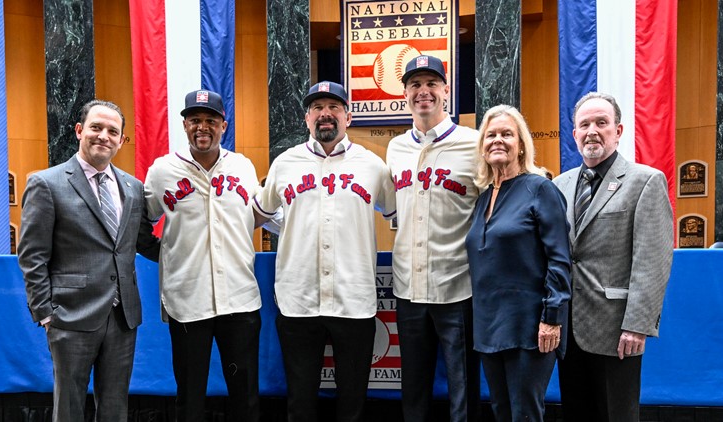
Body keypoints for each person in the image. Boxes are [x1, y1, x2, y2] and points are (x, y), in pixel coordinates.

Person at [253, 81, 395, 422]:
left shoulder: (373, 166)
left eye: (334, 107)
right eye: (318, 108)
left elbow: (398, 215)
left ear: (348, 117)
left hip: (353, 299)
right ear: (307, 118)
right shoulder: (285, 163)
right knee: (300, 400)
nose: (325, 114)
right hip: (298, 298)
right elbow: (259, 212)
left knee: (353, 400)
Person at [18, 100, 159, 421]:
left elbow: (144, 244)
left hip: (123, 317)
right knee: (68, 409)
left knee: (115, 408)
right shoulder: (46, 183)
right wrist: (45, 313)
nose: (103, 136)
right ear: (80, 130)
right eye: (96, 127)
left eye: (113, 131)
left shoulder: (133, 188)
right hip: (69, 316)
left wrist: (194, 250)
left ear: (122, 141)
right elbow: (32, 256)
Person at [553, 92, 674, 421]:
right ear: (575, 134)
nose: (592, 130)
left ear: (618, 131)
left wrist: (637, 326)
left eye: (601, 123)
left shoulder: (645, 181)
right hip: (569, 329)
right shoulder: (559, 185)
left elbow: (652, 261)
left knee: (617, 414)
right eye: (584, 124)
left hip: (617, 331)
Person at [143, 89, 262, 421]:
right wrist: (166, 254)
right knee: (190, 396)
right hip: (187, 300)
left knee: (246, 397)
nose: (202, 127)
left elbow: (257, 215)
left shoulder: (242, 166)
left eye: (211, 120)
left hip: (239, 298)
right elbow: (142, 223)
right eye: (195, 120)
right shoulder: (163, 170)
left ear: (224, 125)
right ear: (185, 125)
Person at [385, 55, 480, 422]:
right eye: (415, 85)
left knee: (462, 386)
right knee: (414, 387)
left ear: (446, 90)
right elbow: (394, 211)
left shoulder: (473, 143)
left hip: (457, 285)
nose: (423, 92)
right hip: (408, 286)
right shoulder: (396, 148)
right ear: (405, 94)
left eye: (431, 84)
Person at [465, 105, 571, 421]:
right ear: (482, 146)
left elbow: (559, 259)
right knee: (501, 411)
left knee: (525, 413)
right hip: (489, 327)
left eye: (507, 134)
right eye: (491, 135)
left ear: (521, 144)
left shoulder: (540, 189)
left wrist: (552, 317)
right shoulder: (484, 196)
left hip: (531, 327)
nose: (498, 140)